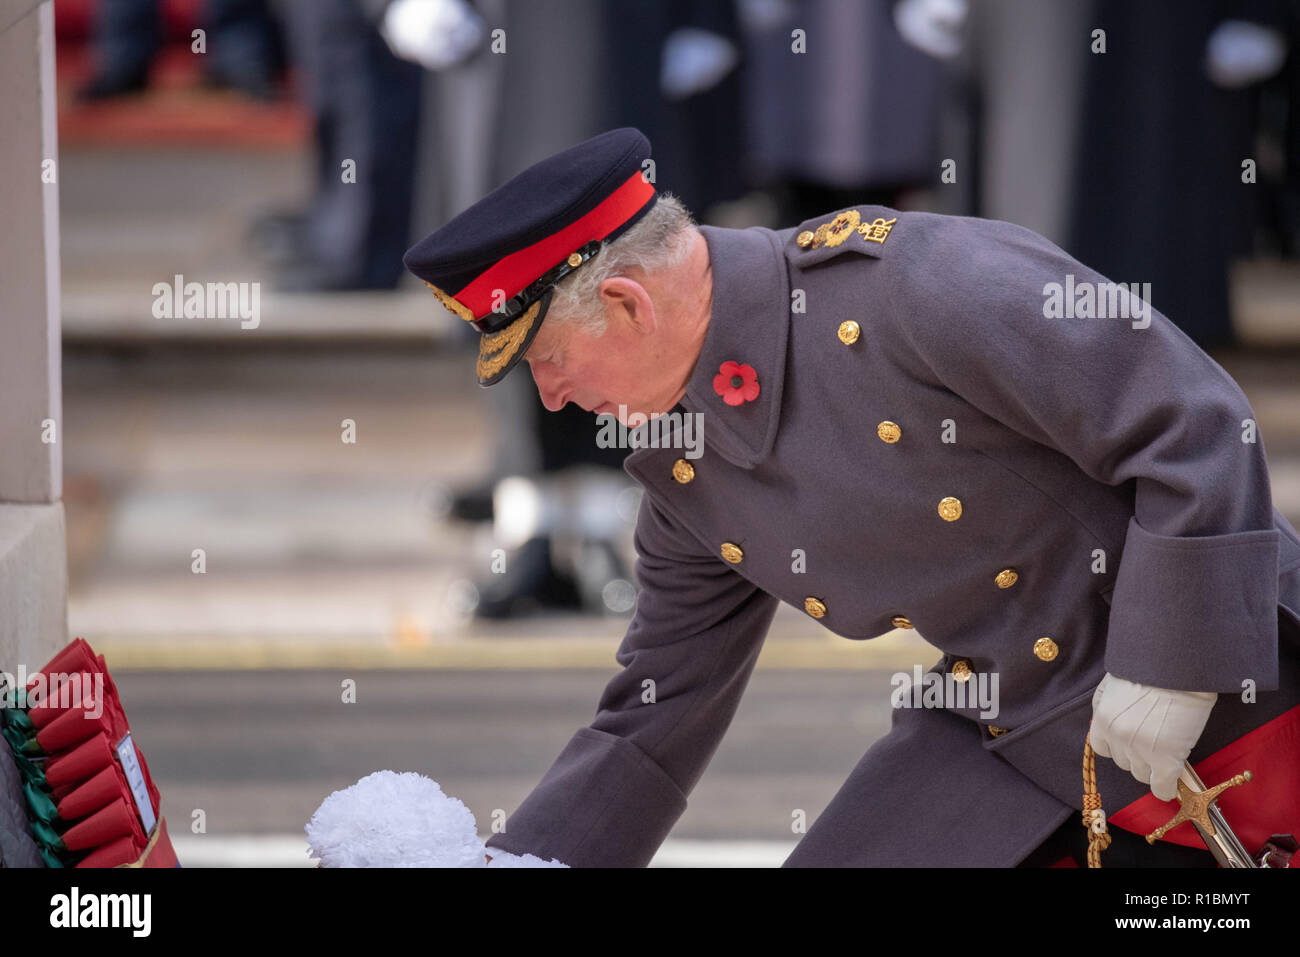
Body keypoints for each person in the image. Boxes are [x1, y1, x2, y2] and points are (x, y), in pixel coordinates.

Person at [403, 128, 1300, 867]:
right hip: (1012, 727)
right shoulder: (684, 474)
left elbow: (1192, 420)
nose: (552, 396)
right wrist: (520, 865)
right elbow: (654, 714)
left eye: (548, 360)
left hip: (1232, 676)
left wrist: (1173, 660)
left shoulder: (912, 286)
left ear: (630, 304)